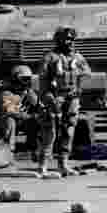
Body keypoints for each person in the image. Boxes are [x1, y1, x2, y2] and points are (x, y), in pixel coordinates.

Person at [37, 27, 92, 175]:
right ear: (59, 40)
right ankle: (43, 165)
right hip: (55, 97)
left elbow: (87, 74)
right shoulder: (50, 57)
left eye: (72, 39)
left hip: (72, 98)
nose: (70, 42)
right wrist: (47, 96)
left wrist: (79, 88)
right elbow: (42, 80)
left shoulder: (78, 58)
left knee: (69, 130)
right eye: (67, 39)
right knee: (50, 131)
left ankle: (63, 163)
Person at [0, 64, 39, 152]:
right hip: (5, 120)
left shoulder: (28, 91)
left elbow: (38, 105)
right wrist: (29, 116)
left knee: (36, 121)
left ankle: (32, 145)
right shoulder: (6, 93)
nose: (27, 81)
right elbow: (9, 111)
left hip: (22, 118)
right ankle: (9, 149)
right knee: (10, 121)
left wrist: (32, 97)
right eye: (24, 79)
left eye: (28, 79)